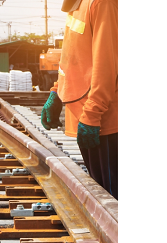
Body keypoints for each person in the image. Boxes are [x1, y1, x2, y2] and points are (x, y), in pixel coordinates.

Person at [40, 0, 117, 199]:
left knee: (112, 198)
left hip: (104, 120)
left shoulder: (102, 3)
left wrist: (93, 113)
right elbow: (72, 56)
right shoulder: (76, 4)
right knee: (102, 195)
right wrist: (56, 92)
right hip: (87, 116)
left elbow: (106, 63)